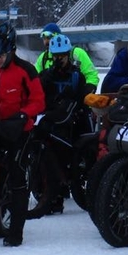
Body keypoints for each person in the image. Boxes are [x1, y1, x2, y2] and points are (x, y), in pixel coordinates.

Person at [0, 23, 46, 247]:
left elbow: (39, 101)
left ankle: (16, 231)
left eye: (2, 55)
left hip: (19, 130)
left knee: (17, 174)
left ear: (12, 50)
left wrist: (25, 115)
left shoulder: (26, 70)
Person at [38, 33, 96, 213]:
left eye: (62, 56)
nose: (58, 59)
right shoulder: (47, 74)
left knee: (88, 145)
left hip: (76, 116)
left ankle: (92, 185)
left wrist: (83, 93)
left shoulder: (76, 75)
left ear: (68, 55)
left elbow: (86, 90)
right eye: (55, 56)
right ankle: (55, 195)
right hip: (55, 117)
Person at [36, 22, 99, 88]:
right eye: (44, 38)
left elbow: (91, 74)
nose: (46, 42)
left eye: (49, 38)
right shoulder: (43, 57)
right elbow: (34, 79)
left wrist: (89, 88)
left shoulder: (77, 53)